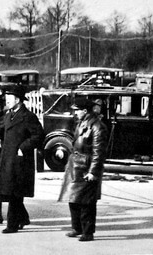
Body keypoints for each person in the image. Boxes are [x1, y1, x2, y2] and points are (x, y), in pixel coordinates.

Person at [0, 86, 44, 233]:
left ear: (17, 100)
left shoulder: (28, 117)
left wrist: (23, 147)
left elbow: (39, 136)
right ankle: (23, 218)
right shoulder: (8, 115)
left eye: (9, 100)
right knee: (11, 192)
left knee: (14, 194)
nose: (7, 102)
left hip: (20, 162)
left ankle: (12, 225)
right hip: (8, 160)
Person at [59, 98, 107, 242]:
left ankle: (88, 232)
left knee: (87, 202)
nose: (75, 113)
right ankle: (77, 228)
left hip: (86, 167)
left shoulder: (98, 127)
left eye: (77, 110)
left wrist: (93, 172)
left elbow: (98, 152)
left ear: (85, 111)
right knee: (73, 199)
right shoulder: (81, 123)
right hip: (76, 165)